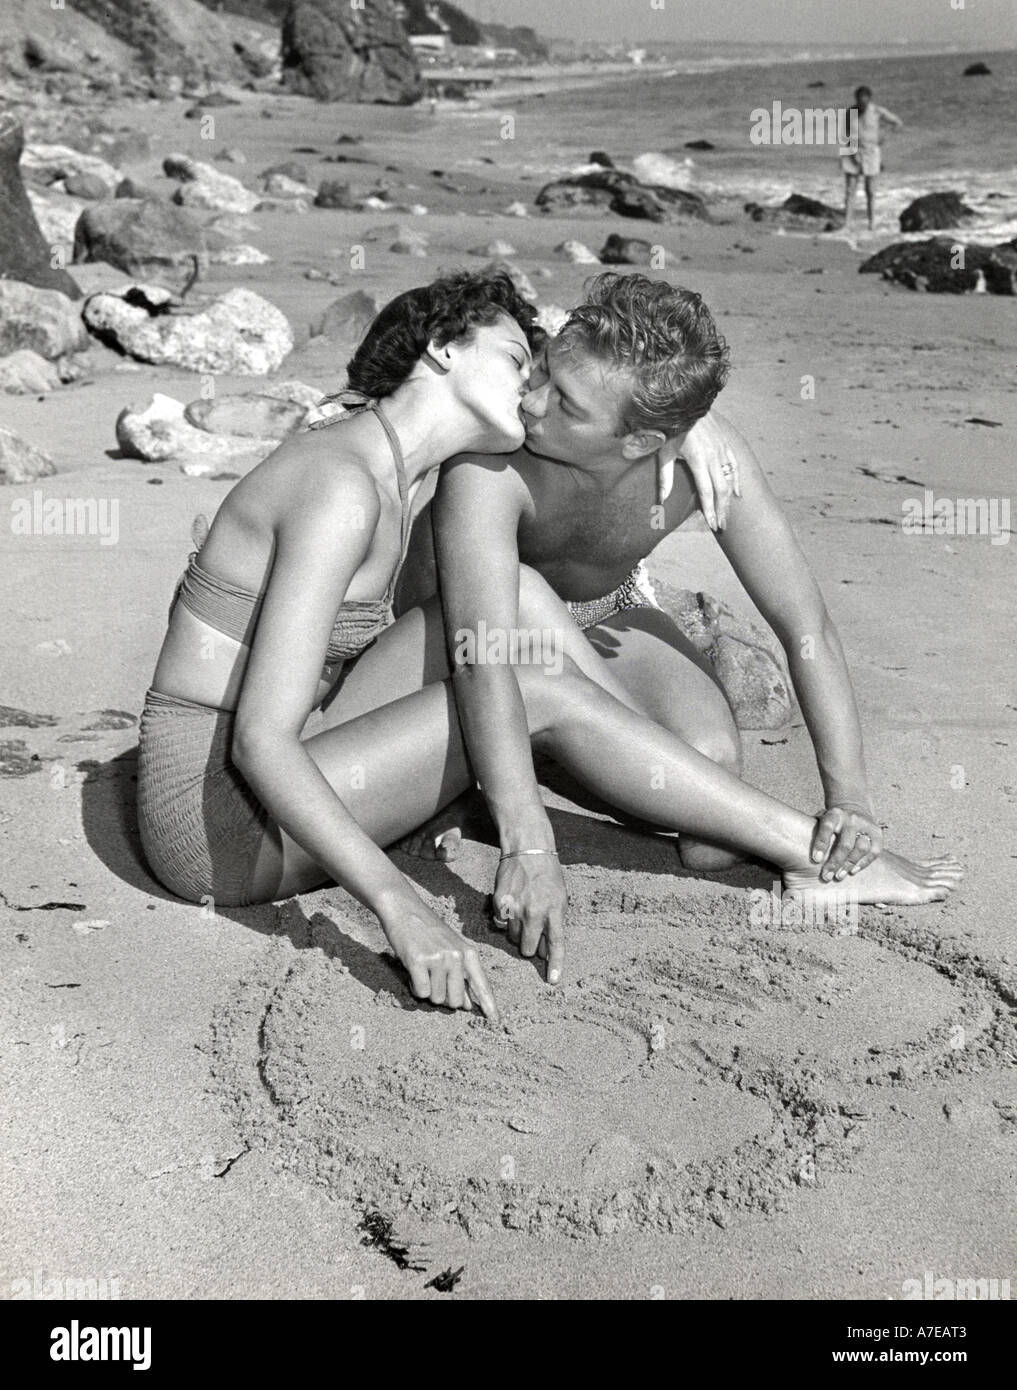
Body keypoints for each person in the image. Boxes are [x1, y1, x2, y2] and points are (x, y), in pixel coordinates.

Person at [362, 272, 961, 984]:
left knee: (706, 808)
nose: (531, 399)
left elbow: (803, 623)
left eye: (569, 405)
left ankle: (511, 772)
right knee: (581, 714)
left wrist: (850, 801)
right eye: (544, 368)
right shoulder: (492, 456)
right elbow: (481, 654)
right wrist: (529, 844)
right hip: (464, 638)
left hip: (608, 612)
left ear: (643, 438)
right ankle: (492, 778)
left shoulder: (704, 461)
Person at [841, 85, 903, 231]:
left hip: (871, 153)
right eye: (859, 100)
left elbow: (897, 123)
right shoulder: (850, 111)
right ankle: (847, 224)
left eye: (864, 100)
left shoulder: (877, 111)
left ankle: (872, 223)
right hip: (853, 152)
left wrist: (884, 138)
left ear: (869, 99)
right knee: (850, 190)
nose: (861, 103)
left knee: (870, 190)